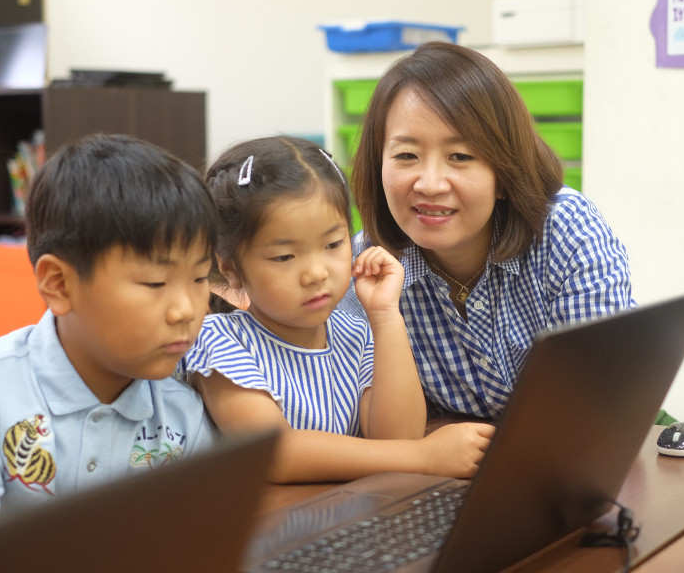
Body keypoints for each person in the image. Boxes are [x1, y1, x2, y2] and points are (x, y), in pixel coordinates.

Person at [0, 134, 219, 542]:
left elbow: (196, 543)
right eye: (154, 282)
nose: (186, 309)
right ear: (58, 284)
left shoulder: (183, 414)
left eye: (200, 279)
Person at [339, 42, 635, 438]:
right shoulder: (363, 265)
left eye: (460, 156)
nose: (429, 184)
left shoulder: (564, 228)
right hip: (443, 472)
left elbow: (598, 400)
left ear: (505, 171)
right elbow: (377, 432)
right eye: (406, 155)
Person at [183, 136, 493, 483]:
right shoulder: (218, 341)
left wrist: (386, 316)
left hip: (346, 516)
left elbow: (397, 439)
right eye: (285, 256)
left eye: (333, 244)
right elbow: (273, 454)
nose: (317, 273)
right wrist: (424, 457)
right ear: (231, 269)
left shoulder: (354, 333)